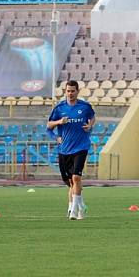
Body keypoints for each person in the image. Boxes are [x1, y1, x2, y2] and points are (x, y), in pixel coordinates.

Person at [47, 80, 95, 220]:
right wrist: (58, 125)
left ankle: (73, 211)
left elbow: (92, 117)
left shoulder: (84, 107)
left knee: (76, 177)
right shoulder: (59, 108)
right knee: (70, 183)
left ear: (77, 91)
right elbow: (49, 126)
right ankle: (81, 206)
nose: (70, 93)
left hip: (81, 146)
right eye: (68, 91)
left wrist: (90, 126)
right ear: (65, 92)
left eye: (73, 91)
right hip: (64, 149)